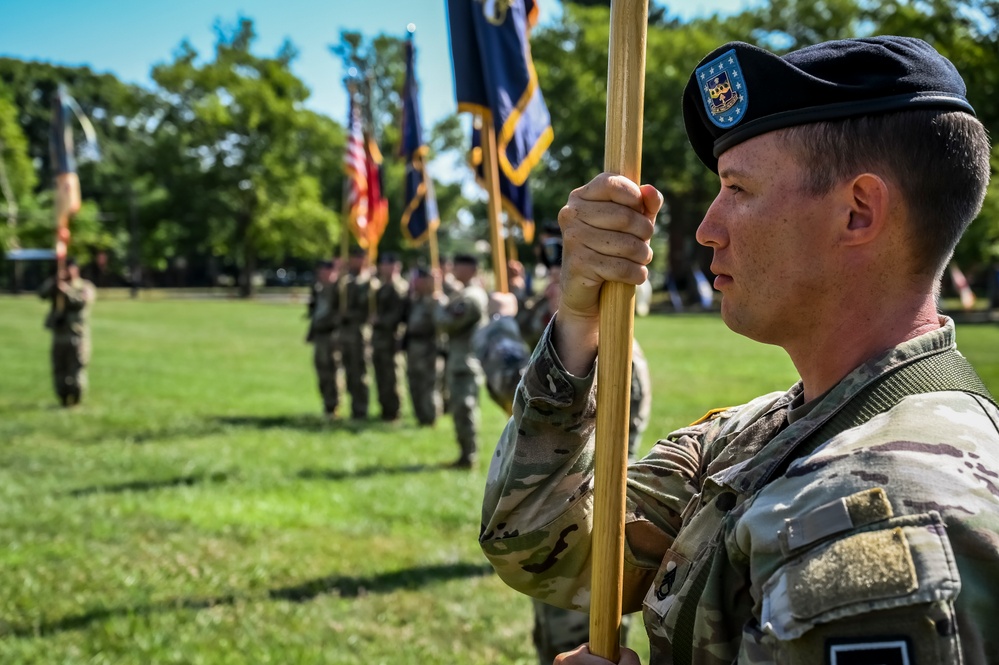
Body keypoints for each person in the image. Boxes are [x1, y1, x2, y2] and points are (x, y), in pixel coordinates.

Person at [480, 37, 998, 664]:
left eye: (738, 190)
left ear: (858, 212)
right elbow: (547, 548)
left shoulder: (885, 514)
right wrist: (581, 320)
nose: (707, 228)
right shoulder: (761, 433)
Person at [434, 253, 488, 469]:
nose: (453, 269)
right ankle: (465, 455)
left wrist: (438, 305)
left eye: (459, 265)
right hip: (459, 360)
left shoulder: (472, 297)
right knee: (459, 409)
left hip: (466, 363)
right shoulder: (464, 293)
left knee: (464, 409)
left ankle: (469, 456)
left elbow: (448, 324)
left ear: (471, 269)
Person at [38, 257, 96, 407]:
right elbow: (41, 294)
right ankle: (63, 399)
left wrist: (67, 290)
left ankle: (76, 400)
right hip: (59, 335)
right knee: (59, 370)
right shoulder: (56, 286)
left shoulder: (84, 286)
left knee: (76, 370)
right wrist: (54, 282)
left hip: (76, 336)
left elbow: (81, 302)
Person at [370, 252, 409, 421]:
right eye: (382, 264)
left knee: (392, 376)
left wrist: (380, 320)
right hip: (379, 339)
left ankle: (394, 411)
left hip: (391, 338)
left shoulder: (399, 287)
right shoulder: (381, 287)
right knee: (381, 375)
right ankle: (384, 409)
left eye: (388, 264)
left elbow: (399, 315)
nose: (384, 268)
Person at [405, 267, 444, 426]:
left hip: (429, 347)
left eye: (418, 280)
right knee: (414, 382)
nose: (414, 283)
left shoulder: (434, 300)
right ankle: (420, 416)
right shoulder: (414, 300)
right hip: (413, 346)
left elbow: (441, 322)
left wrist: (436, 289)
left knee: (429, 383)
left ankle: (430, 417)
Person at [339, 246, 373, 420]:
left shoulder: (368, 282)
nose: (356, 261)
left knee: (360, 373)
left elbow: (366, 310)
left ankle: (361, 409)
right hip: (345, 334)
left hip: (360, 334)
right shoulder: (345, 280)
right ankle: (353, 408)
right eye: (354, 257)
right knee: (349, 372)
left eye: (360, 257)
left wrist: (349, 314)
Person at [306, 258, 341, 419]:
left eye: (326, 270)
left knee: (332, 371)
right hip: (319, 336)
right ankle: (327, 404)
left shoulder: (339, 289)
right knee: (321, 371)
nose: (322, 274)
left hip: (332, 335)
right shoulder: (318, 289)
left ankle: (333, 405)